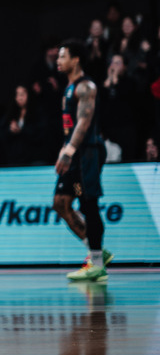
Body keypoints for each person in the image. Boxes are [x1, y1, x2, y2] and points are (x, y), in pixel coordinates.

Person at [53, 39, 113, 283]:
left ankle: (96, 262)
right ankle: (97, 251)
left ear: (76, 59)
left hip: (87, 153)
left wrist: (69, 149)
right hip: (74, 153)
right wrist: (65, 148)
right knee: (61, 203)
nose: (58, 61)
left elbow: (84, 122)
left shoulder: (85, 87)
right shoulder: (67, 90)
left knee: (88, 204)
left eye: (63, 56)